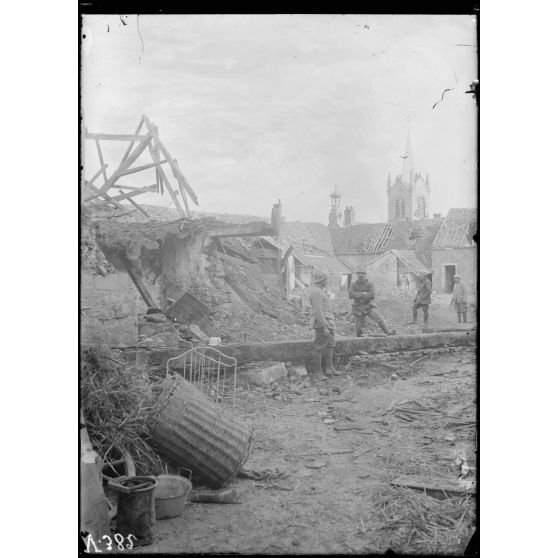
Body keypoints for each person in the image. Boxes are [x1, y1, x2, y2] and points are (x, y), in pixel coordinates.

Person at [308, 270, 340, 381]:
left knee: (330, 344)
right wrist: (324, 326)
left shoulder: (321, 291)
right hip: (323, 324)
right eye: (326, 280)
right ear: (322, 280)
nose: (327, 282)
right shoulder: (316, 292)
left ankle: (329, 368)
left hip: (329, 322)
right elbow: (317, 311)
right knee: (319, 347)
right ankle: (318, 371)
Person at [349, 269, 396, 337]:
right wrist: (362, 294)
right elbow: (351, 294)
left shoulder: (370, 284)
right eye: (359, 273)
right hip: (358, 308)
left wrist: (358, 295)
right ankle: (360, 337)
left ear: (365, 274)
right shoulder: (353, 285)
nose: (360, 275)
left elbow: (372, 295)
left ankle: (388, 331)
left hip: (369, 306)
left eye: (362, 273)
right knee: (359, 329)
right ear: (356, 274)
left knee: (378, 317)